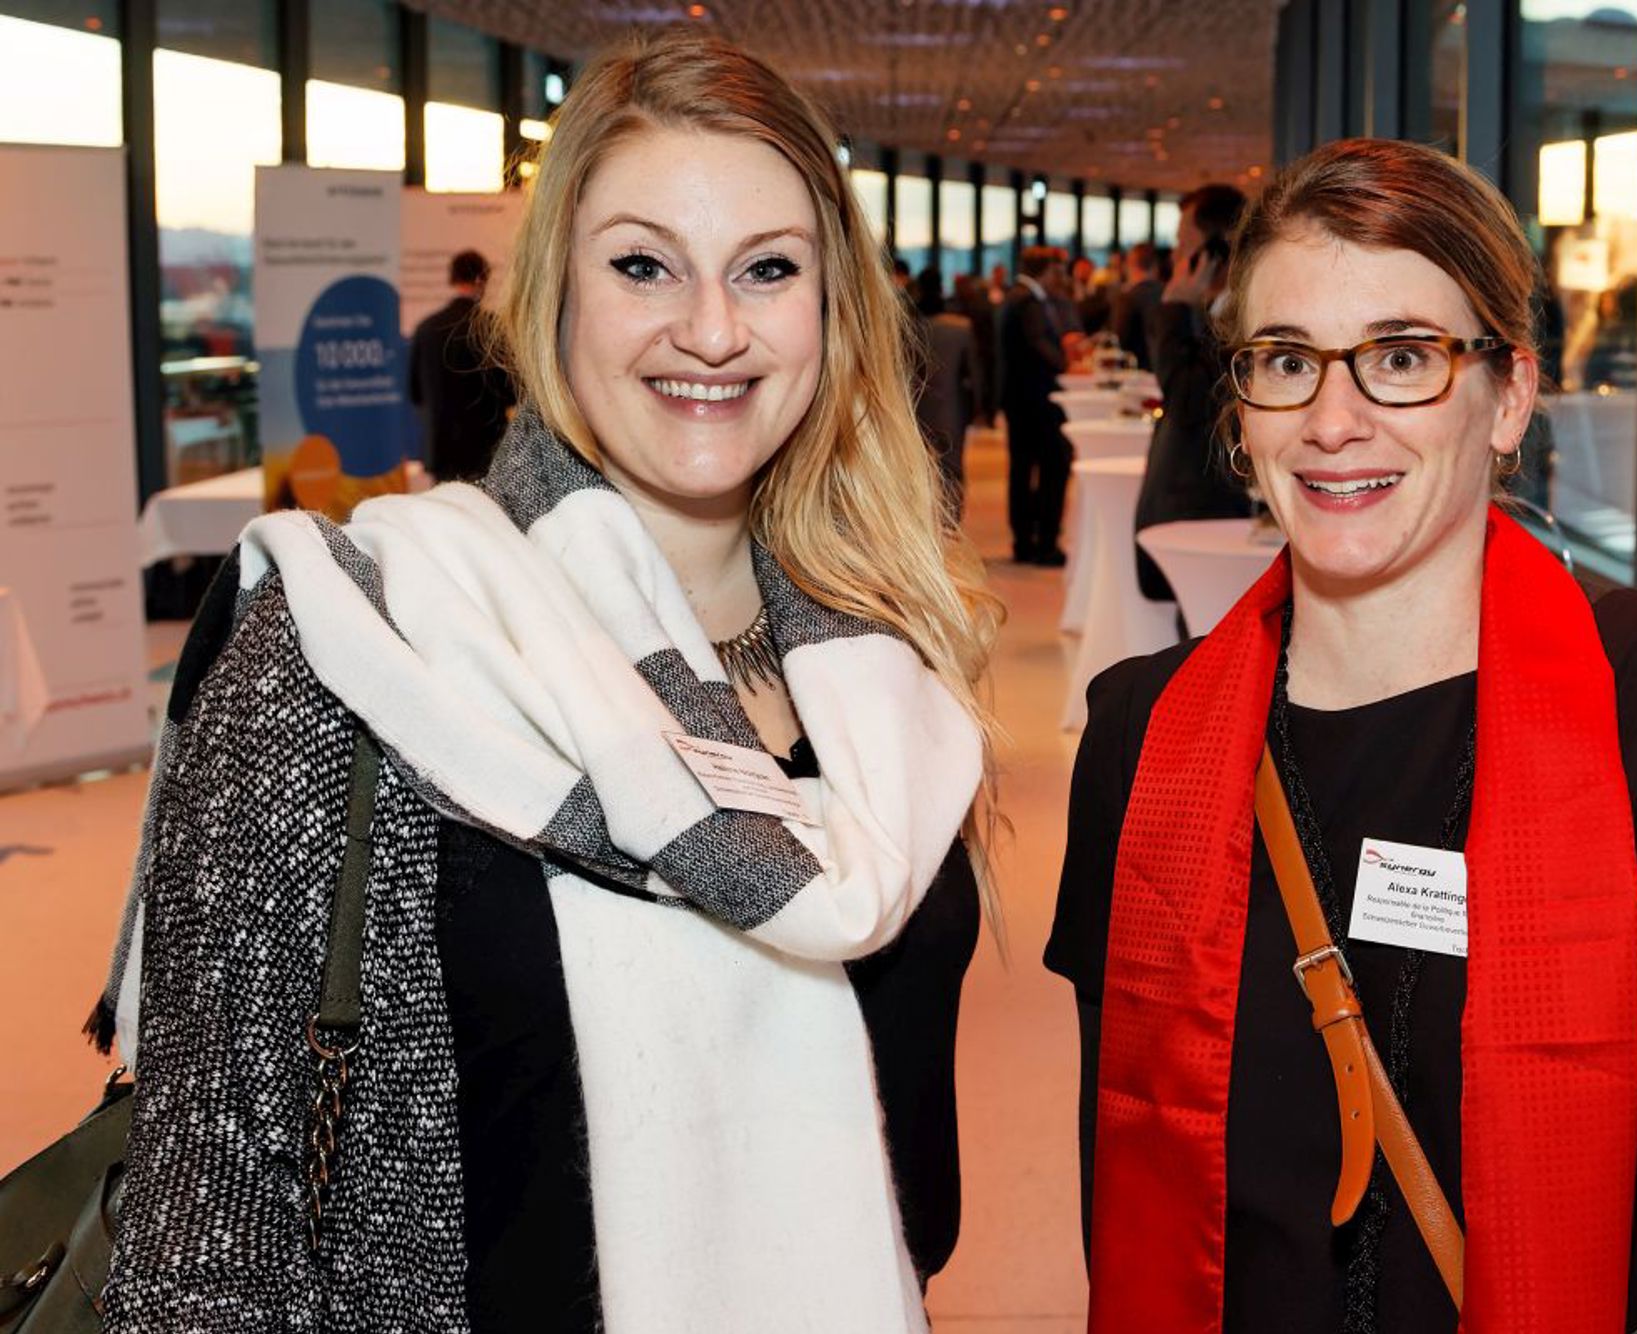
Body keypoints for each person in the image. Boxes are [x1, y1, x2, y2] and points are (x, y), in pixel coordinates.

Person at [94, 27, 1000, 1333]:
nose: (712, 329)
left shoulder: (884, 662)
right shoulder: (361, 644)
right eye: (642, 264)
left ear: (832, 308)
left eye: (767, 269)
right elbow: (207, 1241)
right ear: (553, 296)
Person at [1047, 138, 1637, 1334]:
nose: (1333, 420)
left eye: (1400, 357)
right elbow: (1120, 1154)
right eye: (1286, 360)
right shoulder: (1139, 733)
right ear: (1242, 402)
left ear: (1507, 396)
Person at [1134, 183, 1251, 605]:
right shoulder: (1207, 313)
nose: (1177, 256)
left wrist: (1172, 306)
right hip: (1190, 504)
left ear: (1214, 252)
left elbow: (1185, 399)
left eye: (1185, 243)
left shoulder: (1235, 323)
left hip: (1207, 509)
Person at [408, 248, 517, 482]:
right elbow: (510, 392)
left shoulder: (426, 328)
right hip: (485, 447)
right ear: (482, 279)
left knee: (443, 504)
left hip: (442, 448)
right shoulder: (491, 327)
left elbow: (415, 392)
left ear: (453, 279)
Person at [997, 245, 1074, 565]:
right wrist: (1068, 364)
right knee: (1053, 466)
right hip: (1037, 402)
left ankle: (1025, 541)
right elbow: (1040, 346)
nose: (1062, 277)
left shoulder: (1015, 296)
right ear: (1048, 270)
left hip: (1020, 401)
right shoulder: (1027, 301)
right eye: (1059, 270)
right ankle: (1044, 544)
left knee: (1022, 469)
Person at [912, 267, 977, 516]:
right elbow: (973, 375)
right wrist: (978, 408)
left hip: (913, 407)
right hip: (951, 408)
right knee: (951, 470)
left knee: (916, 469)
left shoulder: (906, 326)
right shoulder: (960, 329)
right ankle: (950, 521)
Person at [951, 271, 998, 425]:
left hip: (978, 351)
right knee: (984, 384)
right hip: (983, 351)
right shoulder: (982, 304)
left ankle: (979, 414)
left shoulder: (961, 305)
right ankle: (985, 415)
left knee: (978, 384)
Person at [1112, 240, 1164, 371]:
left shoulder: (1127, 298)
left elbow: (1119, 342)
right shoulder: (1170, 296)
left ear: (1129, 265)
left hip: (1137, 374)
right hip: (1166, 373)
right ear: (1155, 266)